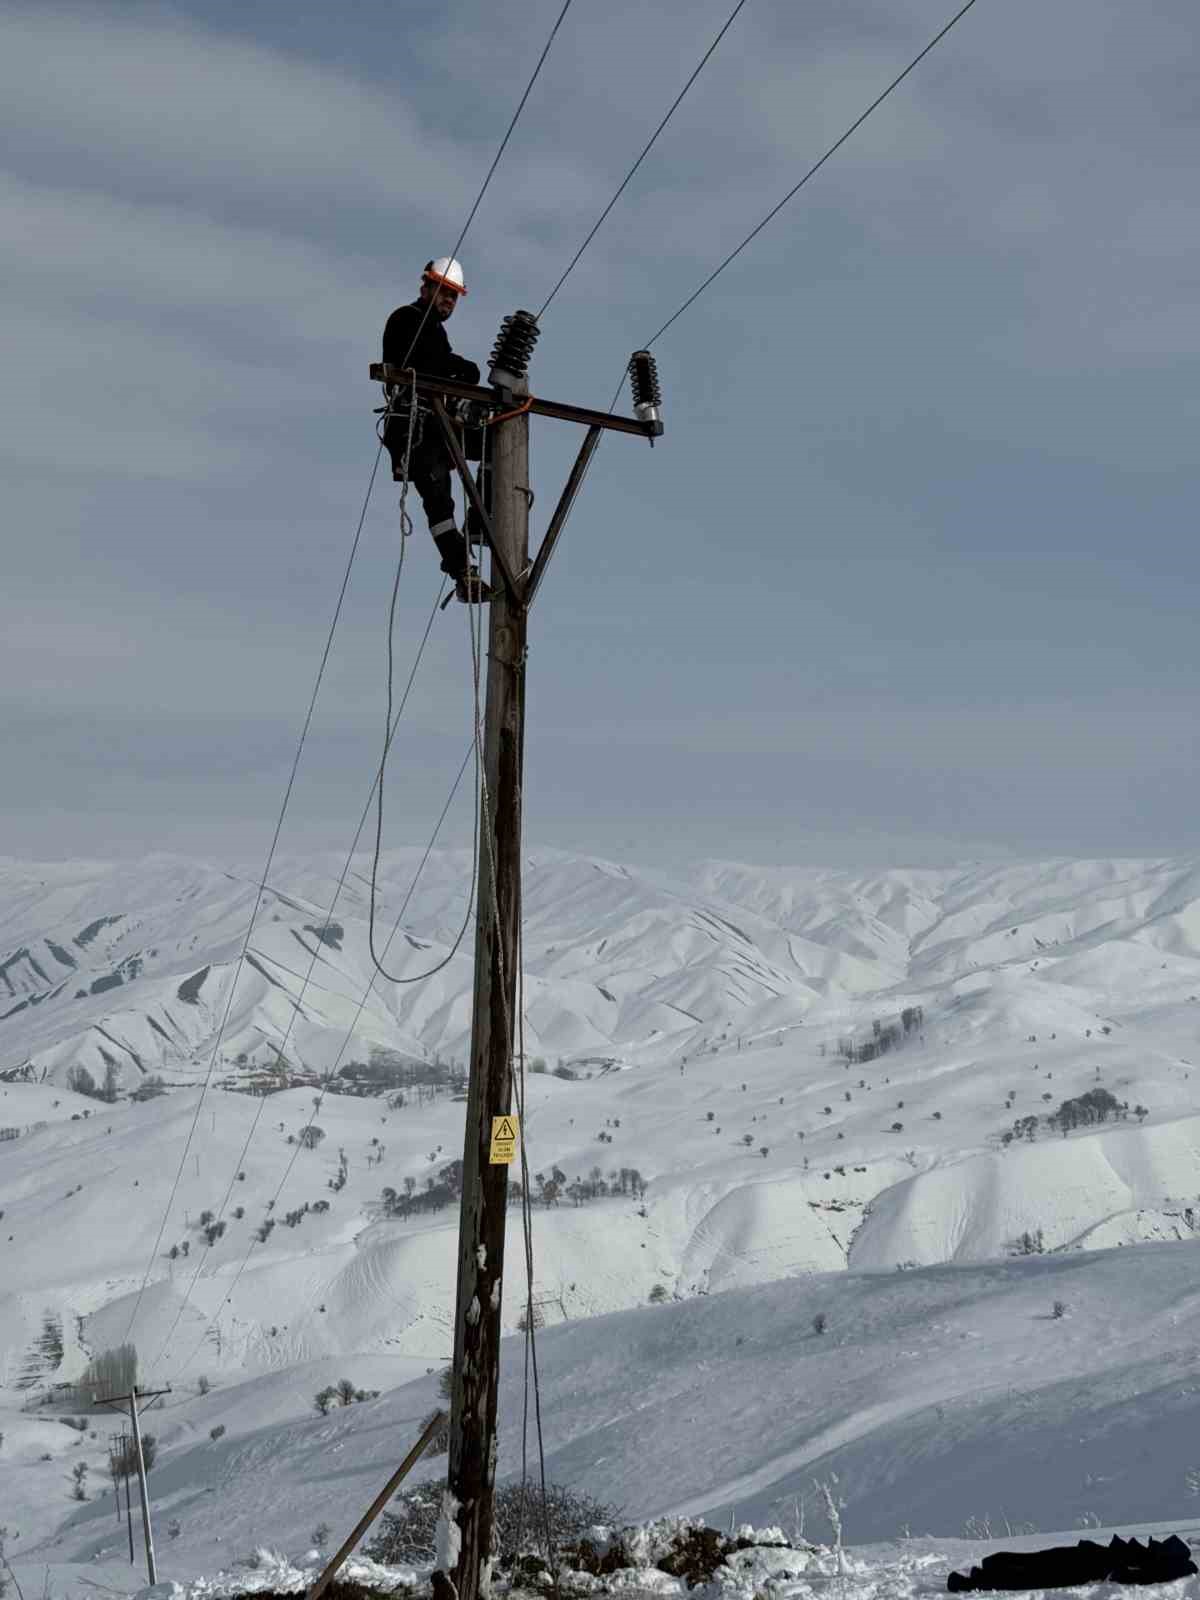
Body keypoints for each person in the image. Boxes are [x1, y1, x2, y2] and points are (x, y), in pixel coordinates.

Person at [382, 257, 489, 602]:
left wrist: (461, 373)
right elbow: (429, 364)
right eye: (443, 292)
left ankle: (477, 524)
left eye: (453, 296)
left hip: (441, 425)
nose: (448, 300)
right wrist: (464, 369)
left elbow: (441, 364)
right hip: (416, 428)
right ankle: (460, 570)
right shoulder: (406, 319)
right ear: (425, 287)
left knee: (496, 442)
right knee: (439, 500)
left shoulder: (435, 331)